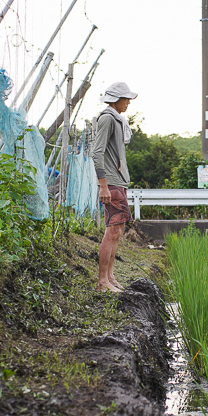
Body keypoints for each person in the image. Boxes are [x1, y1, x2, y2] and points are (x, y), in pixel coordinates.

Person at [91, 81, 138, 293]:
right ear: (116, 100)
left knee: (118, 230)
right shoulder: (108, 119)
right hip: (110, 181)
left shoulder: (117, 120)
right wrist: (103, 185)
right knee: (112, 231)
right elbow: (97, 152)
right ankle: (102, 282)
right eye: (126, 98)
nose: (128, 102)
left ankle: (110, 277)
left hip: (117, 180)